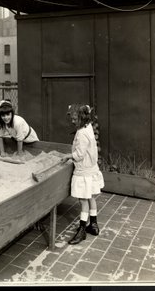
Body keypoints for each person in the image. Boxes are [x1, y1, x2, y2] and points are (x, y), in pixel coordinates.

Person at [62, 104, 104, 245]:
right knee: (91, 197)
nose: (72, 121)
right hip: (91, 169)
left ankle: (82, 231)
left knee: (83, 200)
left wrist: (68, 156)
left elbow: (79, 155)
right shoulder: (88, 127)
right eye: (72, 118)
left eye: (75, 118)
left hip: (83, 171)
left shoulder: (81, 133)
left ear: (81, 117)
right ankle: (93, 225)